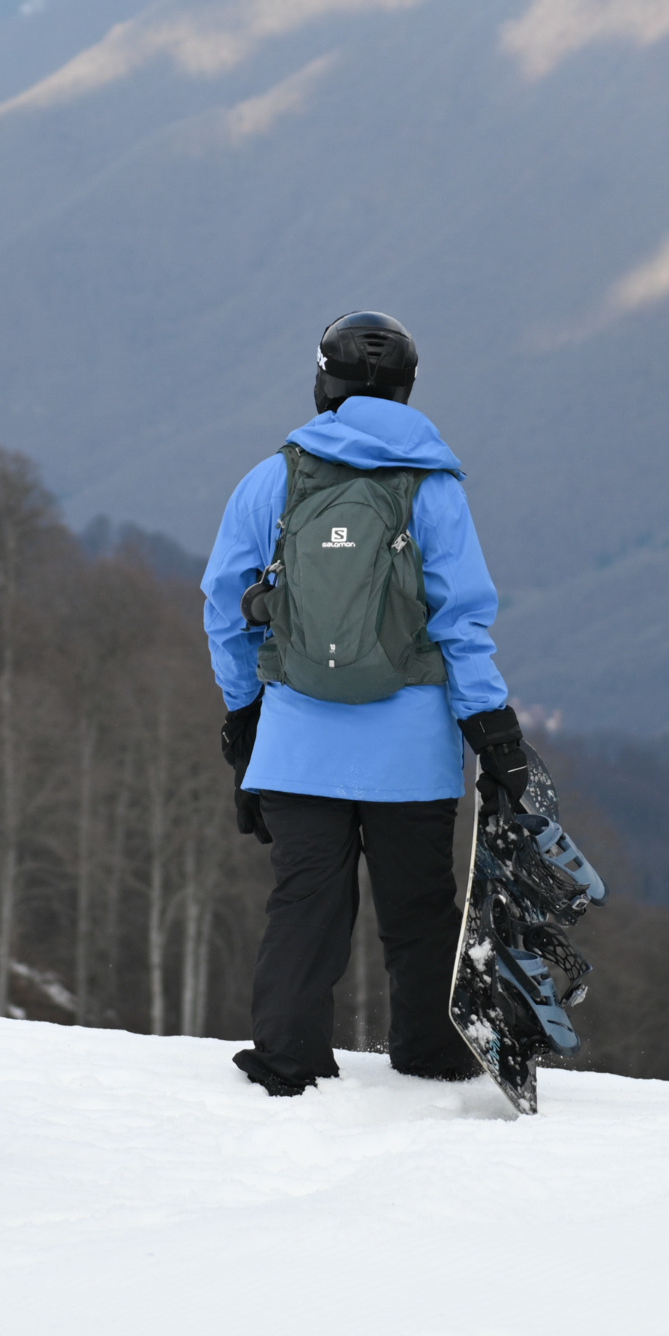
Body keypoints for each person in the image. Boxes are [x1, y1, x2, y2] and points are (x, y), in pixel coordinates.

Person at [201, 311, 529, 1096]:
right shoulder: (435, 489)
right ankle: (430, 1051)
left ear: (325, 383)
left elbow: (223, 603)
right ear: (409, 388)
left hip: (296, 738)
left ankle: (288, 1058)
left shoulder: (276, 477)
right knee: (419, 907)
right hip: (410, 748)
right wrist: (492, 727)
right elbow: (462, 620)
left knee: (305, 902)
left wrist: (245, 715)